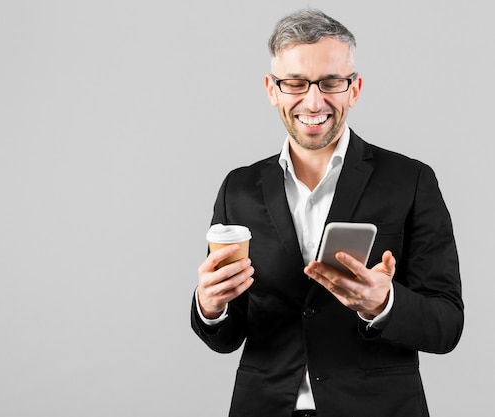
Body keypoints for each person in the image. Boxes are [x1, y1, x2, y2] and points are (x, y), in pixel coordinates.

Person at [190, 8, 463, 417]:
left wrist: (384, 303)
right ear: (272, 89)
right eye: (295, 83)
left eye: (330, 82)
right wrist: (210, 307)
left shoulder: (411, 180)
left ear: (354, 89)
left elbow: (446, 324)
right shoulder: (239, 189)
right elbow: (227, 336)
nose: (313, 101)